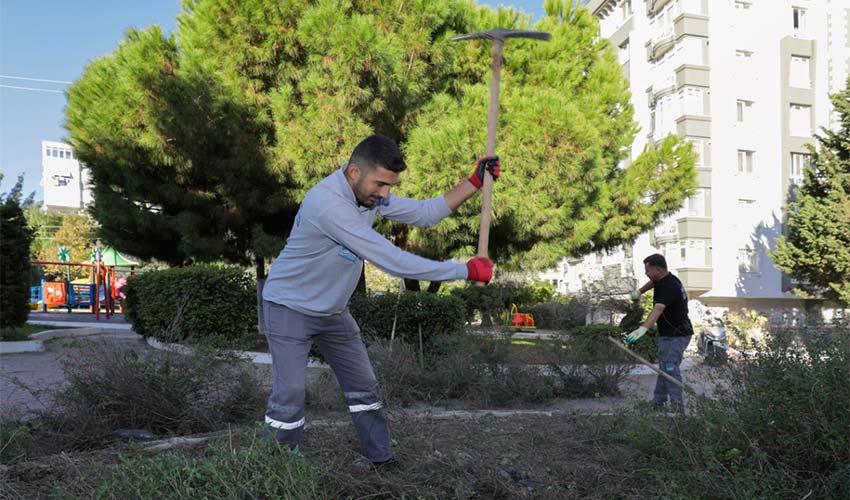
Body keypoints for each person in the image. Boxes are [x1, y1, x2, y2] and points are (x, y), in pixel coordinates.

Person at [261, 134, 498, 468]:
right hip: (288, 308)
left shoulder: (368, 196)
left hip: (332, 312)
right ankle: (275, 470)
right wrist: (465, 270)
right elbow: (392, 260)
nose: (385, 194)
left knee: (364, 388)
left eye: (390, 186)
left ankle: (380, 460)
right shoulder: (327, 204)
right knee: (289, 398)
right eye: (381, 184)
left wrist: (473, 182)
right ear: (354, 172)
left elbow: (425, 213)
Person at [626, 253, 694, 409]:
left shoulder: (668, 287)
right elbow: (652, 283)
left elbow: (658, 309)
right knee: (665, 368)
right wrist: (640, 292)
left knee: (670, 369)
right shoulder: (665, 279)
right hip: (673, 333)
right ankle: (658, 402)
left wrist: (643, 328)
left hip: (676, 335)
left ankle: (678, 407)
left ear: (657, 270)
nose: (646, 273)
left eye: (647, 270)